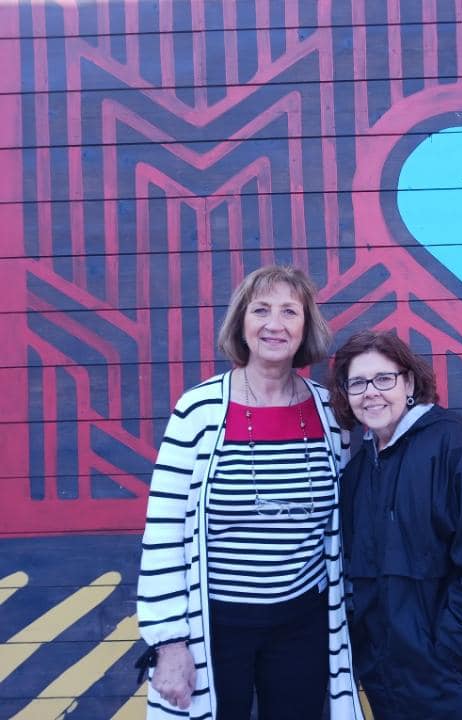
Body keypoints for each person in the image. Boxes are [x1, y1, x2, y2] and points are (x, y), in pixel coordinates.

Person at [136, 265, 363, 720]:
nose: (274, 324)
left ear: (306, 327)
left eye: (289, 312)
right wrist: (169, 641)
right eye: (261, 310)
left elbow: (339, 525)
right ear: (241, 323)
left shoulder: (329, 412)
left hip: (303, 621)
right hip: (217, 623)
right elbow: (163, 529)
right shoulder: (199, 410)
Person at [329, 330, 462, 720]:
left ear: (409, 384)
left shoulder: (454, 450)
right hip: (395, 692)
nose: (371, 392)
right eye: (358, 383)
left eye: (383, 379)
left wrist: (446, 657)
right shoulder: (357, 474)